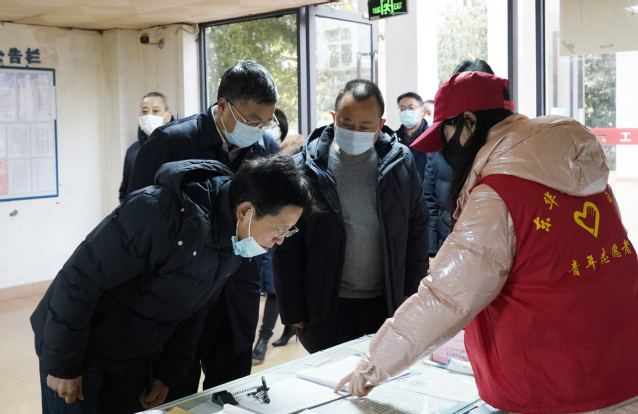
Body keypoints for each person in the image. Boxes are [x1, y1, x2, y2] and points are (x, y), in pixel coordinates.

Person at [336, 71, 638, 414]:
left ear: (468, 123)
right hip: (623, 367)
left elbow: (445, 298)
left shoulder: (498, 194)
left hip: (554, 388)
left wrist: (373, 365)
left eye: (446, 133)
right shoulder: (588, 177)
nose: (445, 150)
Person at [31, 154, 319, 414]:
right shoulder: (158, 212)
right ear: (245, 211)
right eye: (280, 228)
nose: (280, 240)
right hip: (81, 346)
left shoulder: (233, 240)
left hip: (133, 350)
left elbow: (194, 309)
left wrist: (167, 374)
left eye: (289, 231)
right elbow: (78, 281)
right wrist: (63, 366)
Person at [126, 60, 282, 399]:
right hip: (178, 289)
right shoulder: (171, 143)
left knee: (231, 387)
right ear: (223, 104)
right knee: (174, 386)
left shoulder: (267, 149)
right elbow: (136, 222)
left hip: (236, 288)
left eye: (265, 122)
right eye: (251, 120)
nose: (258, 129)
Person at [273, 79, 430, 354]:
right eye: (346, 124)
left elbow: (416, 228)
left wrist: (411, 289)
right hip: (326, 301)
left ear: (380, 125)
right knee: (330, 373)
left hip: (386, 299)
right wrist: (292, 306)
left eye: (365, 126)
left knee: (381, 371)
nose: (355, 132)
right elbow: (287, 242)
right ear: (334, 119)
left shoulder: (400, 162)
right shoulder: (305, 167)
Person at [424, 60, 494, 257]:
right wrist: (432, 253)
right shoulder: (441, 146)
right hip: (446, 249)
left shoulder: (502, 152)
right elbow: (430, 205)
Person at [118, 92, 173, 203]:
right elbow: (125, 191)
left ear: (168, 116)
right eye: (145, 111)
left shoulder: (179, 146)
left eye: (155, 111)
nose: (149, 115)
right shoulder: (132, 151)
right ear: (140, 116)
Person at [395, 92, 429, 183]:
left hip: (425, 189)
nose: (406, 112)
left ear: (422, 111)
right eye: (402, 108)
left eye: (411, 108)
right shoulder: (394, 139)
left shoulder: (432, 137)